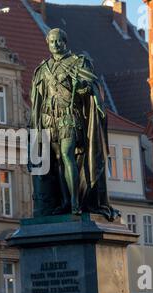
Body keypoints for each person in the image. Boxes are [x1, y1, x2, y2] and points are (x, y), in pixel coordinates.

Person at [30, 28, 119, 221]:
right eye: (52, 41)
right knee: (58, 162)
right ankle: (64, 202)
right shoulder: (43, 69)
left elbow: (91, 87)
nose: (55, 45)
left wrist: (82, 89)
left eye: (59, 41)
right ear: (47, 43)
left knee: (66, 155)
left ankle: (75, 201)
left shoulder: (78, 63)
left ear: (65, 42)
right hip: (49, 121)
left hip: (70, 118)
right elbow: (38, 99)